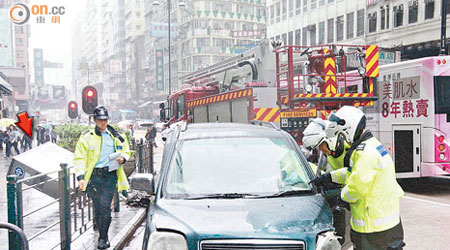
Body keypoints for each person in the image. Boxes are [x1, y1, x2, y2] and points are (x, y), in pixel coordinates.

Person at [312, 106, 405, 250]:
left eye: (342, 135)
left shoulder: (365, 153)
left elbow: (356, 187)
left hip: (373, 227)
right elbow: (353, 172)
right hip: (389, 222)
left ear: (348, 129)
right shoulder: (372, 146)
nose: (343, 139)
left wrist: (341, 198)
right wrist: (329, 177)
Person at [73, 106, 131, 249]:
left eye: (105, 120)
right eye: (100, 120)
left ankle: (103, 238)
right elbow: (79, 158)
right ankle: (101, 231)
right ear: (94, 120)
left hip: (110, 176)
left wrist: (123, 158)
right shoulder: (87, 137)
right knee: (98, 208)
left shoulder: (116, 136)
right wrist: (80, 177)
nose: (103, 123)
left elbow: (126, 149)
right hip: (94, 178)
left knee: (105, 207)